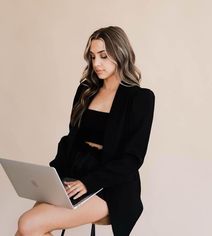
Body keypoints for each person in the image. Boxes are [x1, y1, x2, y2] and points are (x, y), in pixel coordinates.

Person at [15, 26, 155, 236]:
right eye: (92, 56)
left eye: (104, 56)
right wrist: (53, 176)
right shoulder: (86, 91)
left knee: (28, 224)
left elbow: (132, 159)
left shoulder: (140, 99)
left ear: (121, 53)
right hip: (75, 175)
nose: (96, 63)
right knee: (25, 231)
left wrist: (88, 182)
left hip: (110, 187)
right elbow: (71, 139)